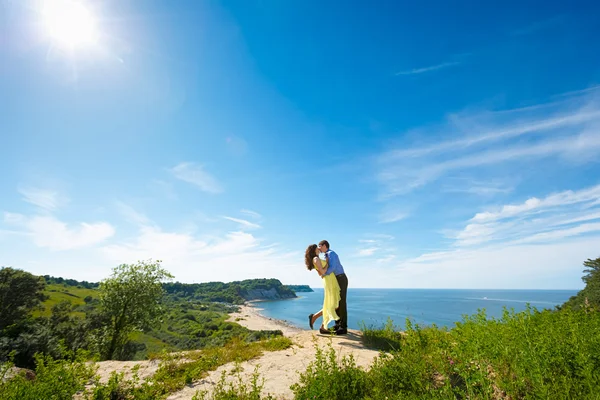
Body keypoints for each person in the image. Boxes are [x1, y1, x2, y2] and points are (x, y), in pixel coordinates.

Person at [304, 244, 341, 334]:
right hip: (329, 281)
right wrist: (328, 263)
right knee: (332, 304)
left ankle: (318, 321)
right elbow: (323, 271)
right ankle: (320, 324)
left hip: (329, 279)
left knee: (334, 304)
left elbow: (320, 273)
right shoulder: (316, 259)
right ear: (314, 250)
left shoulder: (316, 259)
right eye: (317, 247)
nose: (319, 249)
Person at [318, 240, 348, 335]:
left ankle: (343, 327)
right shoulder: (326, 255)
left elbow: (333, 267)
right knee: (336, 302)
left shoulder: (331, 253)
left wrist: (324, 273)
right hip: (336, 280)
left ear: (324, 245)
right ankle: (338, 324)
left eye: (320, 246)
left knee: (341, 302)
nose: (319, 248)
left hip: (341, 278)